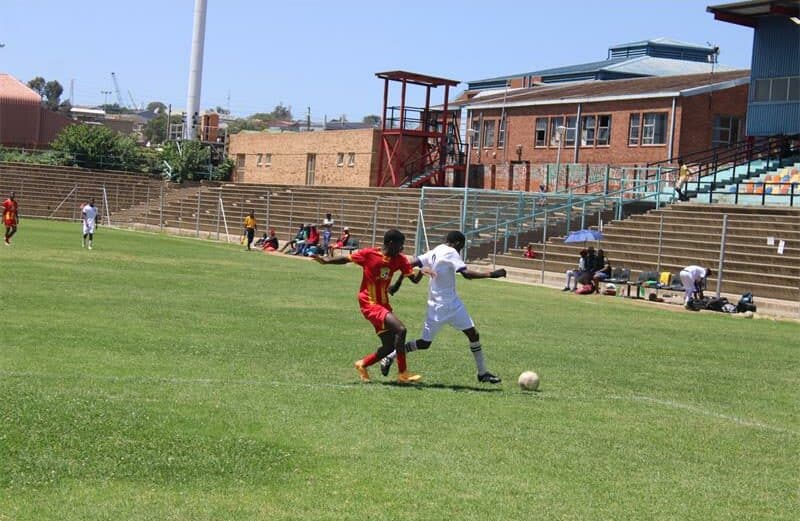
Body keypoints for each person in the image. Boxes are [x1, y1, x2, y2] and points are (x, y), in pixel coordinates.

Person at [379, 231, 506, 384]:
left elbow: (409, 264)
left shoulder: (436, 250)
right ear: (459, 243)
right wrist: (492, 274)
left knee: (471, 334)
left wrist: (397, 284)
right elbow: (466, 274)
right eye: (462, 247)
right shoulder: (452, 252)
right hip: (445, 306)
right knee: (427, 343)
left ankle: (482, 373)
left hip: (444, 304)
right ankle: (390, 356)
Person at [313, 229, 422, 384]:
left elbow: (414, 279)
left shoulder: (399, 259)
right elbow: (346, 259)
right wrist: (326, 261)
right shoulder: (369, 254)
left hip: (383, 304)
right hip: (369, 303)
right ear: (390, 243)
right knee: (401, 330)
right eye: (400, 244)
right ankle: (403, 374)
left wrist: (423, 272)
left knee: (389, 346)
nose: (402, 248)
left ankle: (362, 364)